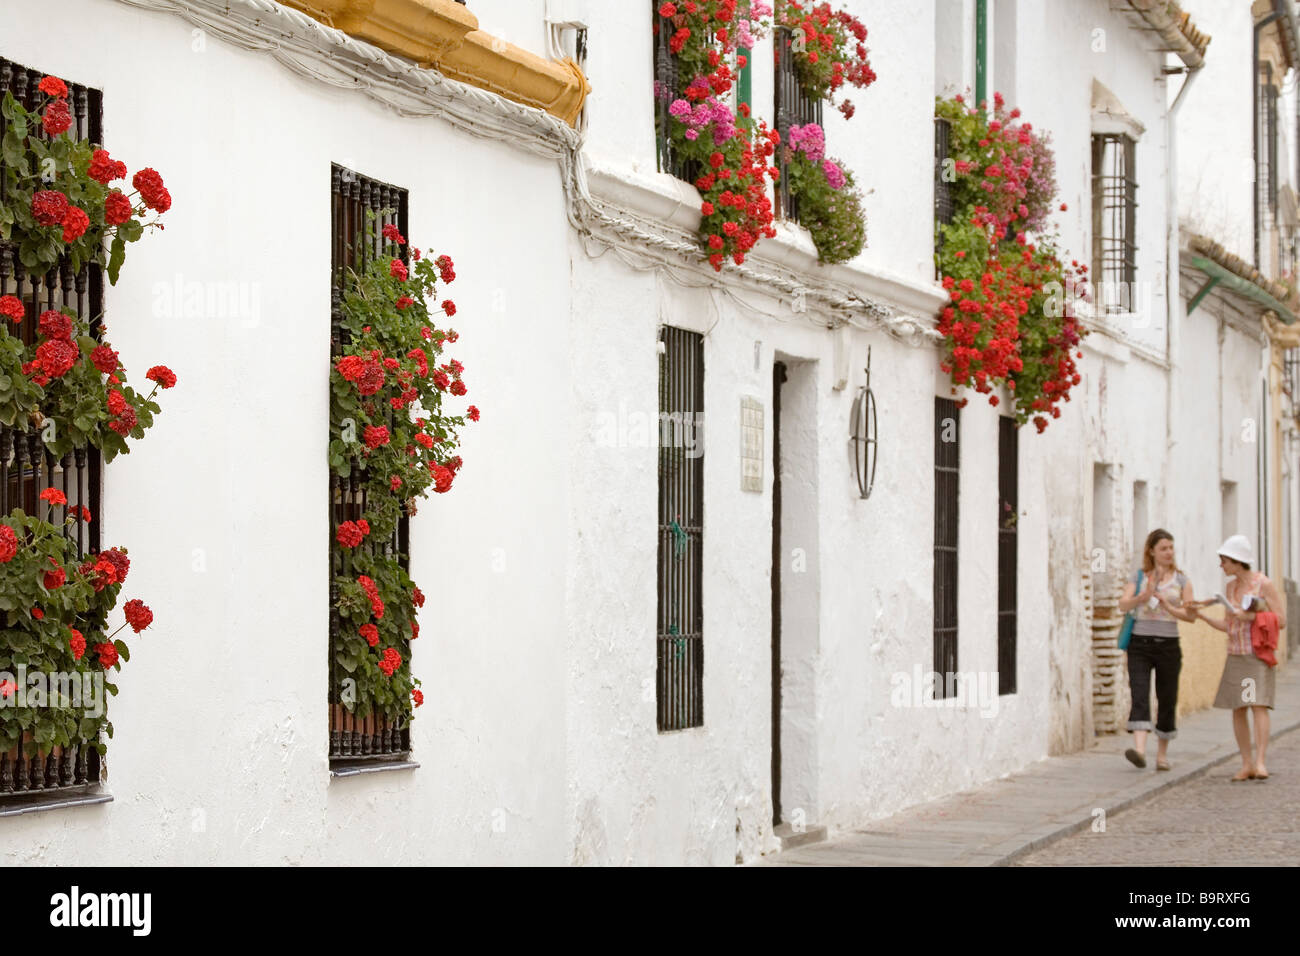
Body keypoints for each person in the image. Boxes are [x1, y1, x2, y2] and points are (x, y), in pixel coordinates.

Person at [1191, 535, 1284, 781]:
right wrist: (1203, 618)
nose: (1221, 566)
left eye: (1224, 561)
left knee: (1258, 705)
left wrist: (1252, 618)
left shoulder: (1262, 584)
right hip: (1235, 654)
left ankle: (1261, 762)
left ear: (1237, 561)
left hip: (1256, 654)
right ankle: (1246, 763)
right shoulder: (1230, 588)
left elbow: (1281, 619)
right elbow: (1227, 624)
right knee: (1238, 708)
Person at [1117, 529, 1197, 771]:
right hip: (1140, 643)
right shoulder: (1140, 576)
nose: (1169, 552)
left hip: (1168, 646)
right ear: (1151, 551)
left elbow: (1191, 615)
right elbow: (1123, 604)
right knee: (1139, 693)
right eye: (1163, 548)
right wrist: (1143, 596)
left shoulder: (1182, 580)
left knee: (1167, 697)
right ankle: (1139, 751)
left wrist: (1167, 605)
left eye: (1171, 547)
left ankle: (1162, 755)